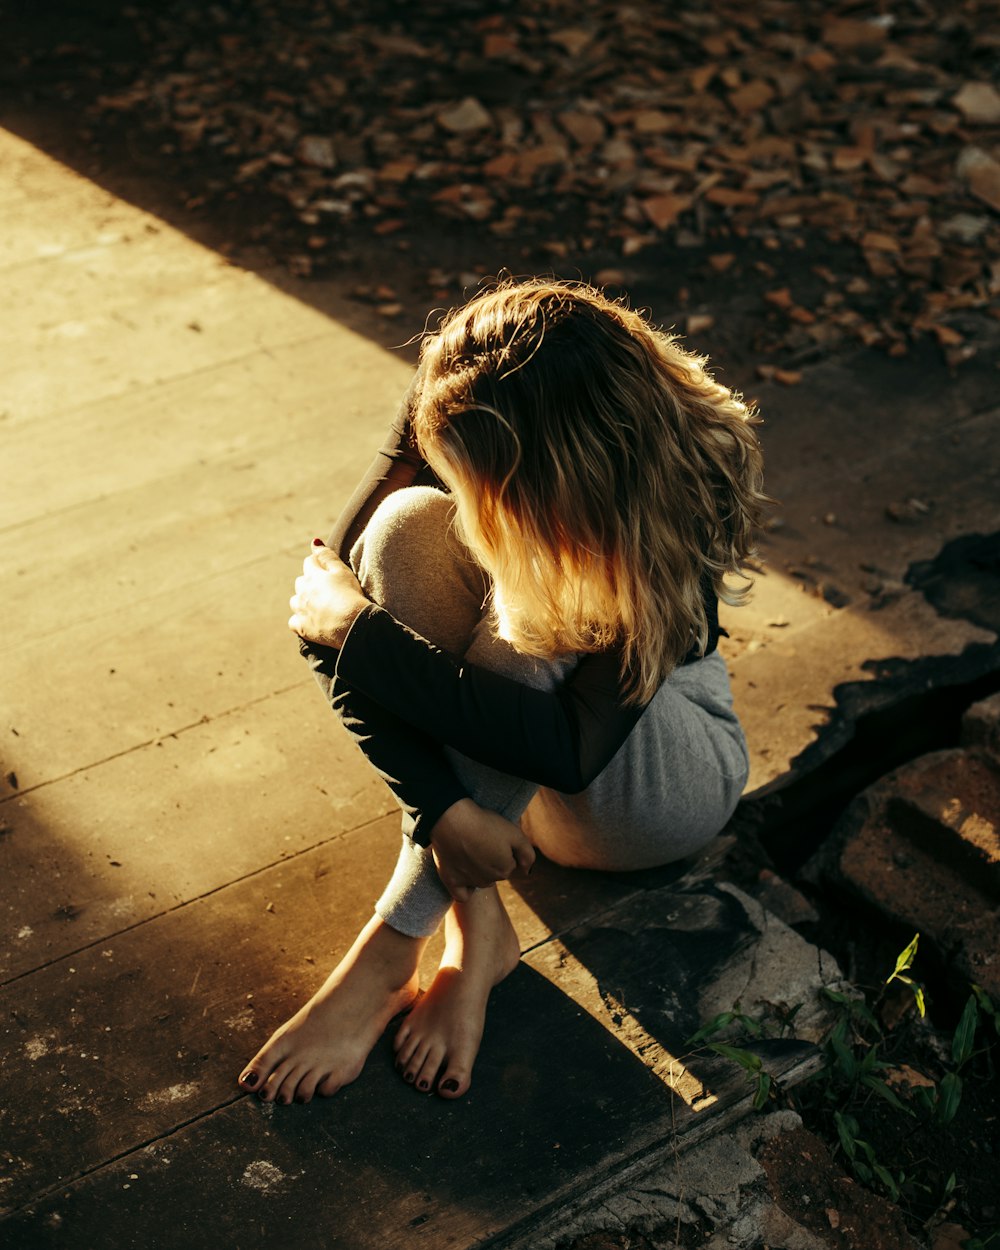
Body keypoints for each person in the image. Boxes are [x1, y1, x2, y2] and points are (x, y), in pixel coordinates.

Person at [237, 278, 769, 1106]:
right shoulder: (458, 391)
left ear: (565, 471)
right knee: (403, 528)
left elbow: (563, 746)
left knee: (557, 611)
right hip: (504, 800)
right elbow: (327, 620)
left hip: (649, 795)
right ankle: (476, 922)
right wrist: (443, 809)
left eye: (486, 492)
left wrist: (362, 636)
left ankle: (389, 950)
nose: (471, 509)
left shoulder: (671, 497)